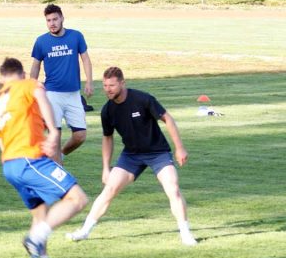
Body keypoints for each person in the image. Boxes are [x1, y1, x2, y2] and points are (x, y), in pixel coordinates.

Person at [0, 57, 88, 258]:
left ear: (3, 78)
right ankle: (34, 239)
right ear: (22, 74)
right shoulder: (28, 84)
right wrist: (53, 131)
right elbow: (41, 96)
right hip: (30, 159)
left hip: (10, 165)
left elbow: (0, 141)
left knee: (40, 217)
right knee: (77, 199)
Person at [69, 67, 196, 246]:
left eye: (112, 85)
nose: (108, 89)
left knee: (173, 188)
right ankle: (84, 231)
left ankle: (185, 234)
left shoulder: (143, 99)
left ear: (122, 83)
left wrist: (179, 148)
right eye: (105, 86)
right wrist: (105, 168)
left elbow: (168, 119)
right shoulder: (107, 110)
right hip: (131, 155)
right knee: (109, 189)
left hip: (158, 153)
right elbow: (107, 138)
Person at [29, 4, 93, 162]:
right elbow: (35, 65)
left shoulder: (76, 36)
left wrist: (89, 82)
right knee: (55, 136)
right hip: (52, 95)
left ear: (62, 18)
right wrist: (31, 88)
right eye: (48, 20)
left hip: (73, 94)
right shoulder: (41, 41)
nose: (52, 23)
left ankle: (59, 157)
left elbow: (85, 59)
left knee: (80, 135)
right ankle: (58, 171)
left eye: (55, 19)